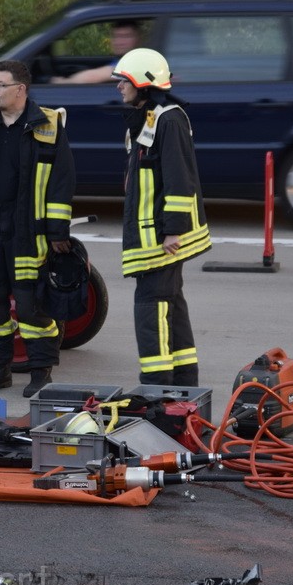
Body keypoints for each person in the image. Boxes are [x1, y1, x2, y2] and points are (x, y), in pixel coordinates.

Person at [0, 60, 75, 396]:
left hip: (27, 230)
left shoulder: (48, 124)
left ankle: (40, 372)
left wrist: (57, 231)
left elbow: (61, 182)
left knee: (32, 304)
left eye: (1, 84)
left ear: (21, 89)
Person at [112, 48, 212, 386]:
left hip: (161, 237)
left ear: (142, 82)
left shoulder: (169, 119)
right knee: (170, 302)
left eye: (123, 81)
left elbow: (179, 179)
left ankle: (157, 387)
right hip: (153, 234)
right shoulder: (152, 117)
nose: (118, 87)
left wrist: (173, 230)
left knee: (151, 306)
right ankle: (184, 381)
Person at [52, 20, 141, 84]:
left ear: (138, 39)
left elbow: (96, 75)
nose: (119, 42)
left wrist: (65, 82)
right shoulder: (122, 59)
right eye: (116, 36)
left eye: (126, 36)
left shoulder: (136, 63)